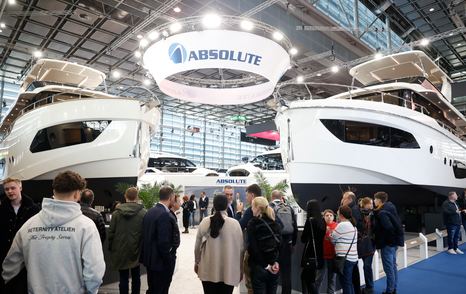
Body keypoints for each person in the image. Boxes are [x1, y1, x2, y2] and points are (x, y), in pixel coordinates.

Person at [2, 171, 105, 293]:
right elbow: (94, 271)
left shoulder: (29, 225)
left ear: (54, 192)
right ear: (78, 194)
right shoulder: (86, 226)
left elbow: (9, 266)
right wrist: (91, 291)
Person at [194, 194, 244, 294]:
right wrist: (240, 269)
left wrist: (197, 261)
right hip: (229, 271)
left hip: (208, 270)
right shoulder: (235, 224)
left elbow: (197, 246)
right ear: (226, 206)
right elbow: (241, 249)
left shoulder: (205, 222)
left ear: (214, 206)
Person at [0, 177, 40, 292]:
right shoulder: (1, 209)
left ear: (20, 187)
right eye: (7, 189)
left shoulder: (34, 209)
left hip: (27, 256)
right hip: (5, 255)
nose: (10, 191)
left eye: (13, 188)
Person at [141, 186, 180, 294]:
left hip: (150, 261)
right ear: (171, 197)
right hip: (160, 263)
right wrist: (169, 260)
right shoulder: (164, 215)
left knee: (152, 289)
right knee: (161, 290)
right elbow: (163, 243)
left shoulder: (150, 212)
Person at [108, 187, 147, 294]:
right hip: (137, 250)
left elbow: (111, 233)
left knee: (123, 278)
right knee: (136, 277)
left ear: (125, 196)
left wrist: (111, 247)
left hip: (120, 250)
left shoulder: (116, 214)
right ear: (137, 197)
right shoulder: (143, 213)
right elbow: (146, 234)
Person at [247, 196, 282, 294]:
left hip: (259, 268)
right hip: (274, 267)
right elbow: (280, 246)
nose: (251, 209)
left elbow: (253, 249)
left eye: (252, 206)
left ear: (258, 208)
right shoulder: (275, 223)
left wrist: (266, 266)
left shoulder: (253, 223)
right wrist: (276, 263)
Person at [373, 191, 404, 294]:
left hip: (388, 244)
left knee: (388, 268)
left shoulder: (382, 213)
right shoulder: (391, 207)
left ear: (379, 200)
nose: (374, 201)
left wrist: (387, 241)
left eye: (375, 199)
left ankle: (389, 290)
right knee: (393, 266)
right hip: (394, 243)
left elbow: (388, 227)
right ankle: (393, 288)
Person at [236, 184, 262, 294]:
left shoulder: (252, 210)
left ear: (252, 195)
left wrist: (238, 212)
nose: (246, 198)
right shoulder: (267, 208)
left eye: (247, 195)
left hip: (253, 254)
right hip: (269, 254)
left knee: (252, 285)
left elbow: (238, 226)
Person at [270, 190, 297, 294]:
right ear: (281, 198)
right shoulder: (289, 207)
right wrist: (293, 243)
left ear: (272, 197)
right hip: (288, 243)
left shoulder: (270, 207)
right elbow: (294, 227)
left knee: (273, 270)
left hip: (275, 244)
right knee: (286, 272)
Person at [331, 206, 358, 294]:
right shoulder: (353, 225)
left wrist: (330, 234)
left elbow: (333, 240)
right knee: (349, 283)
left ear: (341, 215)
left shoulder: (342, 225)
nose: (337, 215)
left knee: (346, 283)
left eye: (338, 213)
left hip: (345, 259)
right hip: (353, 258)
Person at [301, 199, 325, 294]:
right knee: (308, 277)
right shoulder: (323, 221)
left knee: (308, 279)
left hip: (310, 252)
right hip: (320, 253)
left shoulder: (310, 221)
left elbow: (303, 239)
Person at [340, 191, 362, 294]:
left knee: (349, 278)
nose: (342, 200)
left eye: (343, 198)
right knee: (354, 272)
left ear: (349, 199)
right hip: (353, 249)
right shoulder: (356, 209)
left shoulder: (352, 211)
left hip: (349, 250)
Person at [316, 209, 337, 294]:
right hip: (322, 256)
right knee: (318, 278)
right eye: (327, 215)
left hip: (333, 256)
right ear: (323, 217)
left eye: (330, 215)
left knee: (331, 279)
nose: (329, 217)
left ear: (333, 217)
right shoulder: (320, 226)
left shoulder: (337, 226)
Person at [357, 198, 376, 294]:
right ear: (364, 204)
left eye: (372, 203)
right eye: (370, 203)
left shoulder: (374, 214)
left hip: (371, 244)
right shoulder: (358, 213)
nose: (372, 205)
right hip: (362, 244)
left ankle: (370, 287)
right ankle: (368, 286)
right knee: (365, 266)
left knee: (367, 266)